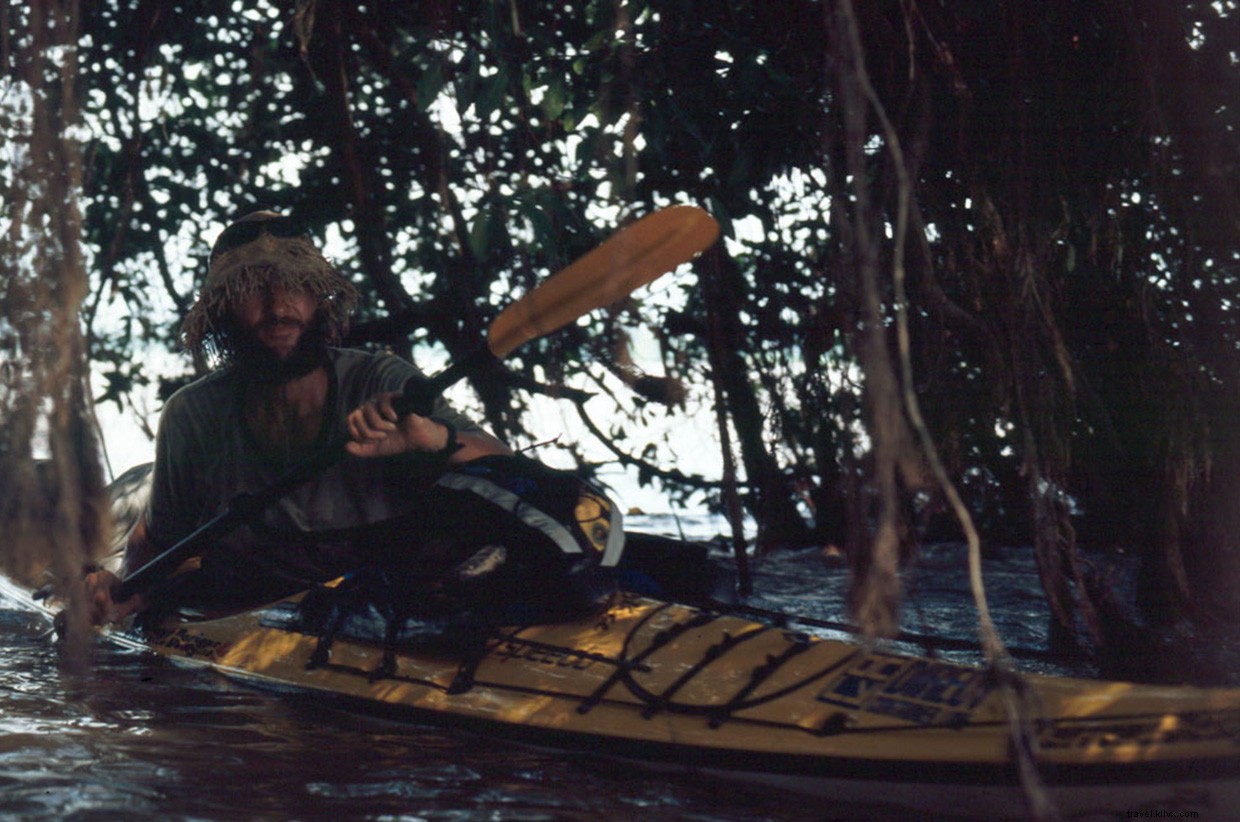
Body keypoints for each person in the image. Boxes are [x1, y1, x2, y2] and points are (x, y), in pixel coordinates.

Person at [86, 211, 622, 627]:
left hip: (387, 585)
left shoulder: (379, 379)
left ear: (320, 300)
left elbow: (502, 469)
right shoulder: (193, 415)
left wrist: (430, 439)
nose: (279, 307)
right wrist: (119, 595)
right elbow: (156, 544)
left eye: (296, 284)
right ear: (223, 311)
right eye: (253, 290)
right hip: (263, 598)